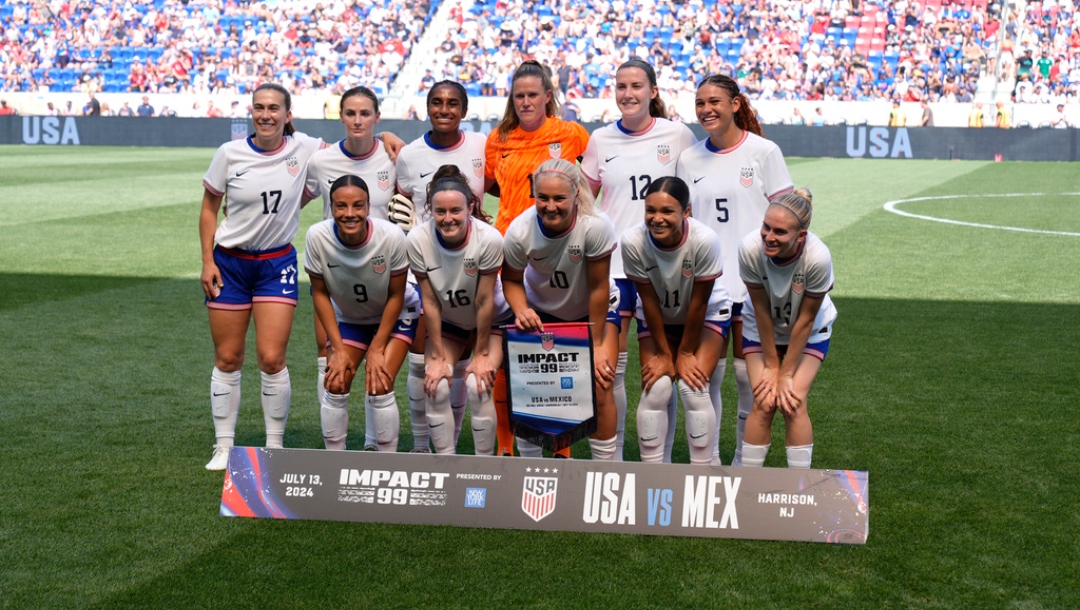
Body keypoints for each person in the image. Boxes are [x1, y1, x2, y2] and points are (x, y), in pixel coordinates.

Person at [199, 83, 325, 471]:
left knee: (272, 358)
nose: (265, 114)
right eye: (259, 107)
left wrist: (387, 138)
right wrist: (207, 260)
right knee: (228, 356)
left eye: (274, 108)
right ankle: (224, 446)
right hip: (230, 264)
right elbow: (208, 210)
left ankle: (274, 446)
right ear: (251, 112)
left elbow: (349, 149)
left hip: (276, 263)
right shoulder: (229, 153)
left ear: (288, 115)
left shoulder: (304, 147)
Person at [580, 59, 697, 461]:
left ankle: (657, 460)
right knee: (608, 369)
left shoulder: (677, 135)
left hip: (662, 270)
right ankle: (611, 459)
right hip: (612, 269)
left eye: (636, 86)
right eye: (621, 86)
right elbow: (583, 200)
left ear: (653, 91)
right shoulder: (600, 140)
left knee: (662, 374)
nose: (628, 94)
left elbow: (690, 198)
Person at [676, 74, 793, 466]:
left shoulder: (764, 152)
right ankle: (706, 464)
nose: (707, 110)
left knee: (748, 380)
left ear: (735, 104)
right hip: (705, 286)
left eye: (715, 101)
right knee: (703, 378)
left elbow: (786, 218)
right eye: (700, 103)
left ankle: (745, 465)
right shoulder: (689, 158)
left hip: (752, 286)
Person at [484, 60, 590, 456]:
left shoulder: (571, 134)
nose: (526, 101)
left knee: (554, 348)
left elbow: (584, 182)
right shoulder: (498, 138)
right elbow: (494, 186)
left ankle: (559, 446)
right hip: (508, 250)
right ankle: (506, 447)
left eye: (533, 94)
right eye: (519, 95)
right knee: (508, 347)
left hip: (559, 252)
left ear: (548, 95)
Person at [501, 159, 621, 460]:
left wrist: (595, 345)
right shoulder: (519, 231)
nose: (550, 206)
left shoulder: (596, 226)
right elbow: (512, 280)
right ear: (533, 194)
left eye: (559, 199)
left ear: (576, 196)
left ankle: (604, 470)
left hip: (593, 311)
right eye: (543, 198)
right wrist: (521, 310)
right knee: (530, 387)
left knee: (600, 382)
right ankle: (530, 467)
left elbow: (598, 288)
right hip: (543, 313)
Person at [303, 86, 401, 451]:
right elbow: (300, 197)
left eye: (365, 113)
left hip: (384, 268)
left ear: (377, 117)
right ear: (341, 116)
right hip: (338, 273)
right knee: (329, 356)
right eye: (350, 113)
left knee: (380, 369)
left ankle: (375, 443)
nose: (357, 120)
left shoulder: (394, 157)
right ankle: (333, 441)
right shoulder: (321, 161)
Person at [396, 81, 488, 452]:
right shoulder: (409, 155)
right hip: (427, 270)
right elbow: (402, 202)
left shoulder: (482, 146)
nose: (444, 109)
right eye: (436, 102)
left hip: (470, 265)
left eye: (453, 103)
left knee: (464, 365)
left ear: (464, 111)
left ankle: (449, 440)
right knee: (423, 361)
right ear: (427, 107)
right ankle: (422, 446)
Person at [304, 175, 420, 451]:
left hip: (396, 314)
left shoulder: (390, 236)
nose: (350, 213)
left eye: (358, 205)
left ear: (368, 207)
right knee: (335, 382)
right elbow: (320, 293)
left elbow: (396, 295)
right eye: (341, 206)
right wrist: (338, 349)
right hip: (350, 318)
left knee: (379, 383)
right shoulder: (317, 236)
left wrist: (377, 348)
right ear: (331, 207)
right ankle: (335, 462)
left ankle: (384, 464)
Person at [621, 177, 732, 464]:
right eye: (650, 210)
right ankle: (655, 474)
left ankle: (702, 475)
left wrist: (683, 353)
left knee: (693, 389)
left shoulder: (704, 240)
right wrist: (662, 353)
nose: (657, 219)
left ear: (686, 211)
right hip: (658, 317)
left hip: (705, 314)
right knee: (657, 388)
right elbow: (647, 299)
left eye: (667, 211)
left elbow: (700, 302)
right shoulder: (632, 241)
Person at [408, 166, 509, 454]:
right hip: (451, 321)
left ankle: (483, 467)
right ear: (430, 209)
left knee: (479, 384)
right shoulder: (417, 240)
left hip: (493, 322)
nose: (448, 218)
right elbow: (429, 301)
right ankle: (445, 467)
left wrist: (482, 355)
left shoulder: (488, 239)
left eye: (455, 210)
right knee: (437, 384)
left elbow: (485, 301)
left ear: (470, 208)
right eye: (440, 211)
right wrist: (438, 356)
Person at [737, 188, 837, 469]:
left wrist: (787, 373)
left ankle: (798, 486)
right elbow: (760, 309)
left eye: (780, 232)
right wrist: (771, 366)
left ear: (800, 237)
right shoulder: (749, 248)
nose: (769, 237)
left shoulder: (818, 258)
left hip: (809, 331)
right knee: (764, 401)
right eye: (766, 227)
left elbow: (805, 320)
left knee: (793, 402)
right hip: (761, 326)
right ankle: (749, 484)